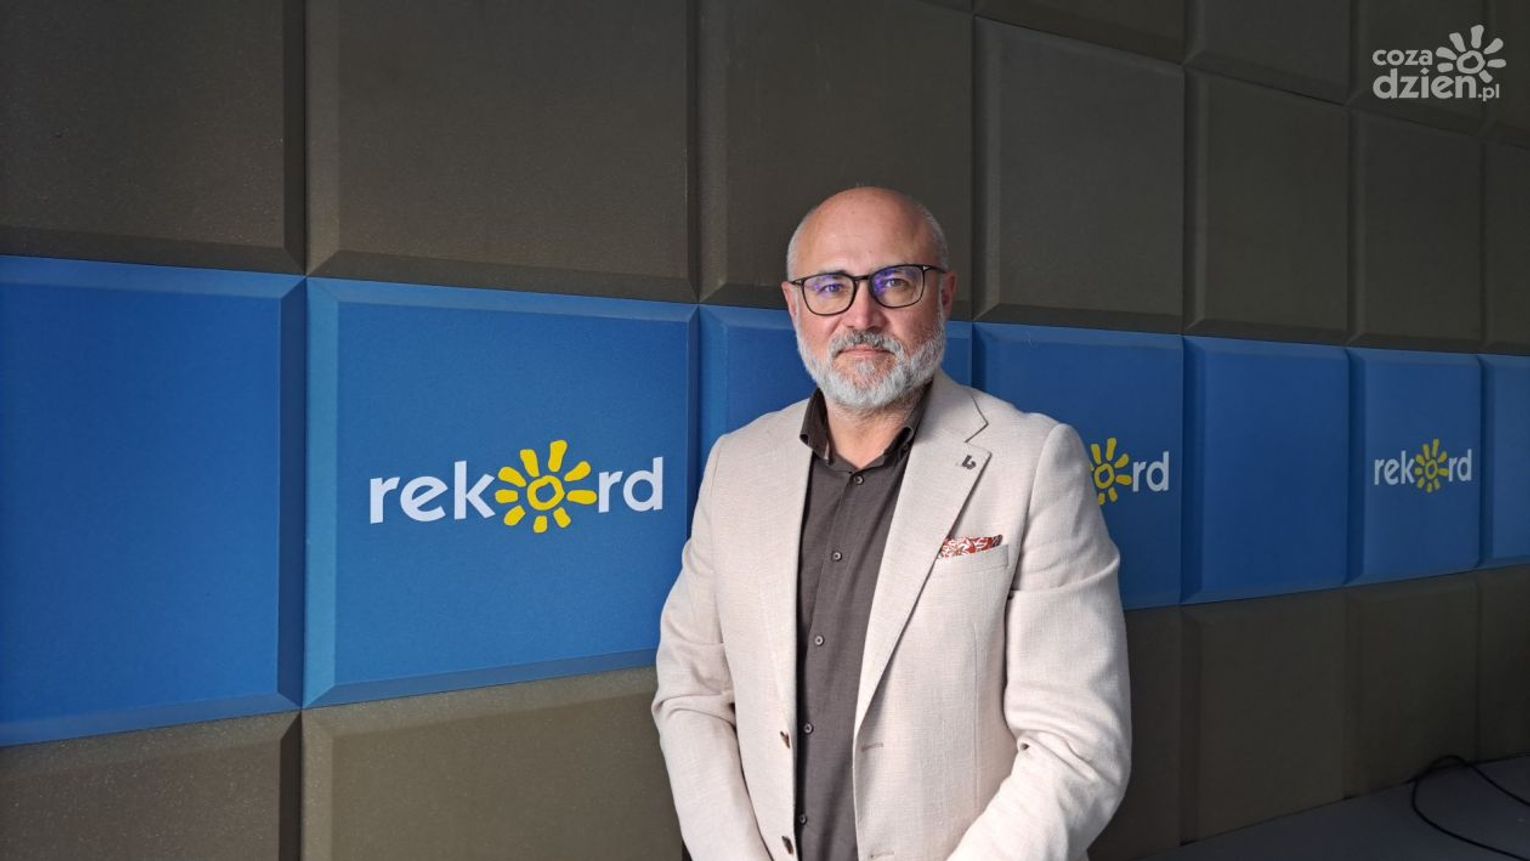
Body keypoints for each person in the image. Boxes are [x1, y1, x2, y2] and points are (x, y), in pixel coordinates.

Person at [652, 186, 1130, 861]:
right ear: (795, 305)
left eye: (895, 282)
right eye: (830, 287)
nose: (861, 315)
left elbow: (1077, 744)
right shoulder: (737, 465)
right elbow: (692, 690)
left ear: (944, 295)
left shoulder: (1034, 462)